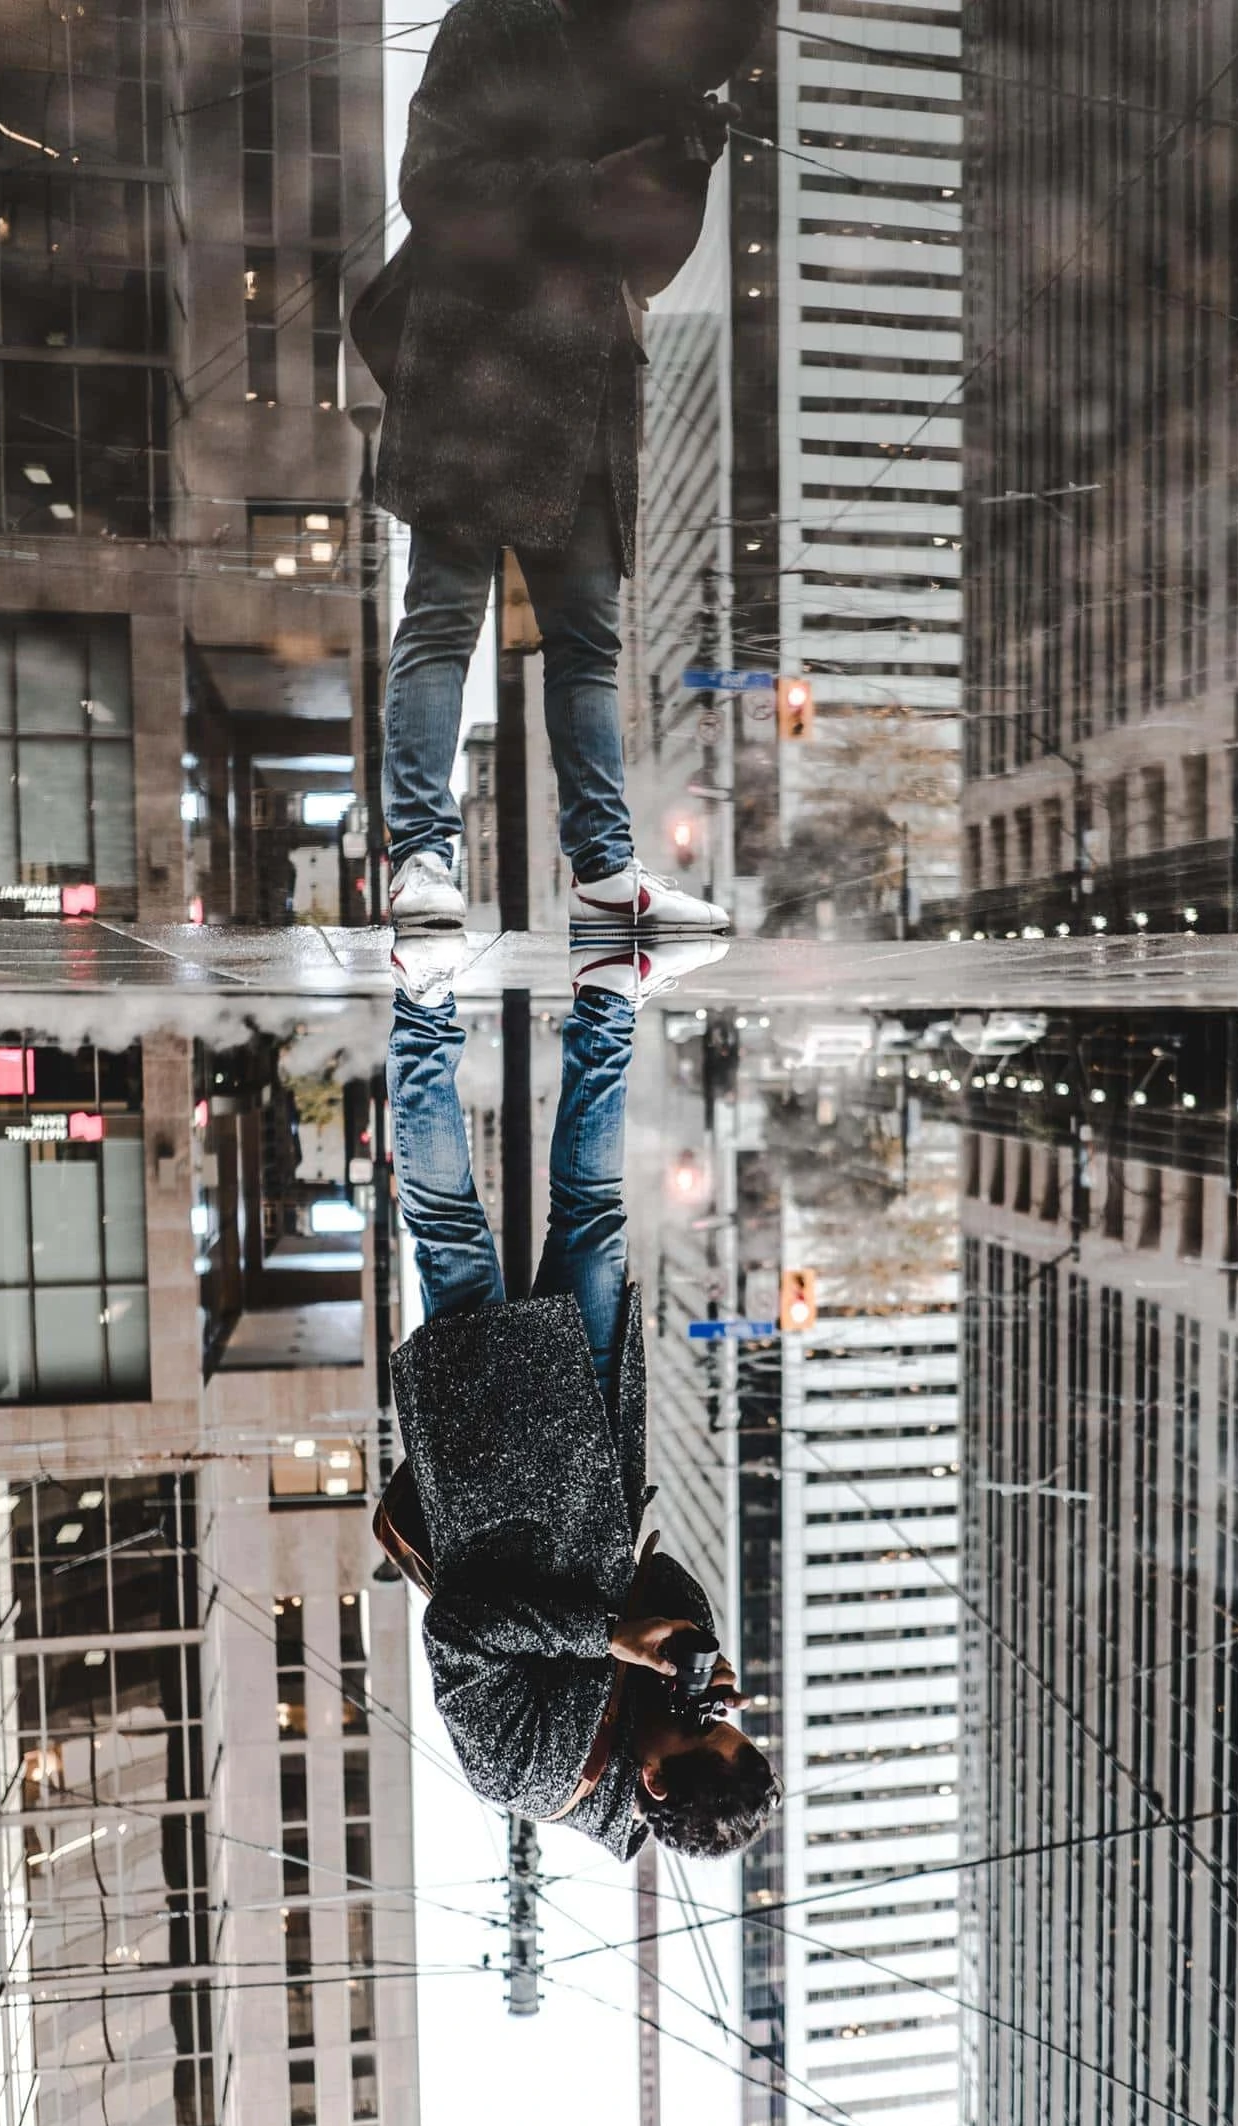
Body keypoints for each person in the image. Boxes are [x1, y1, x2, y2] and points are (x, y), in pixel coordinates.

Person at [375, 931, 780, 1859]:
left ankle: (424, 1003)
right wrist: (693, 1652)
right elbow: (664, 1578)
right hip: (591, 1429)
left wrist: (611, 1640)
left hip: (489, 1456)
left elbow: (460, 1626)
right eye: (729, 1718)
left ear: (654, 1781)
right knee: (593, 1209)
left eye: (699, 1729)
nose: (704, 1714)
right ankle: (610, 999)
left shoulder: (522, 1773)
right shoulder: (667, 1714)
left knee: (446, 1228)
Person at [366, 0, 763, 937]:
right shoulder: (490, 21)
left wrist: (680, 171)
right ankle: (423, 852)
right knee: (443, 616)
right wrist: (592, 183)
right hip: (476, 366)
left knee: (588, 643)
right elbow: (431, 182)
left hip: (585, 377)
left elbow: (651, 264)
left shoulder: (639, 62)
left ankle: (604, 868)